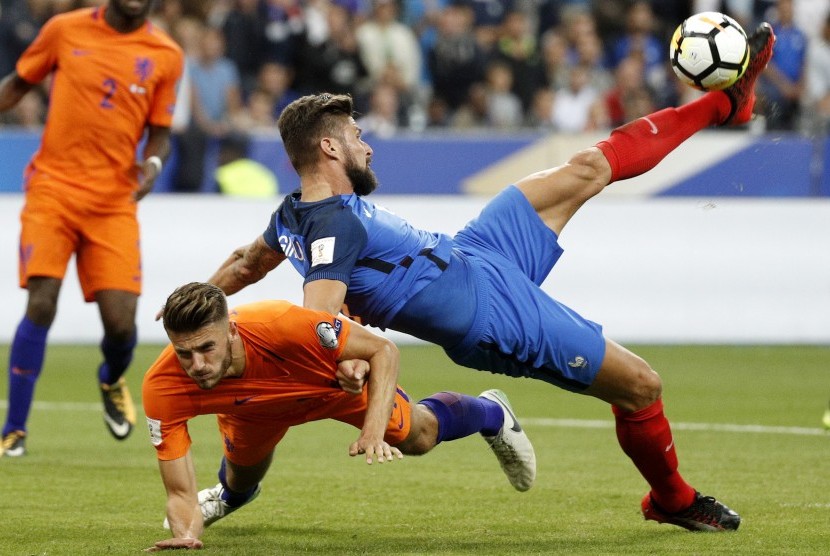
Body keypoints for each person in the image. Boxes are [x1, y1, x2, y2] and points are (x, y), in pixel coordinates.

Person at [206, 22, 778, 533]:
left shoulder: (290, 215)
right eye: (357, 136)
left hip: (476, 252)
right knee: (641, 386)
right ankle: (673, 499)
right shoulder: (331, 227)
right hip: (490, 317)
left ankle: (727, 106)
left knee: (588, 166)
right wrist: (352, 359)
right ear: (329, 147)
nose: (368, 144)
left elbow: (245, 262)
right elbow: (318, 322)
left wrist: (198, 300)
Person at [144, 282, 535, 551]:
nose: (196, 365)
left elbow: (383, 350)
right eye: (184, 353)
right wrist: (186, 538)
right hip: (251, 412)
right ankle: (228, 498)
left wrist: (374, 429)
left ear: (231, 330)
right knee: (241, 476)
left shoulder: (282, 325)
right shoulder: (163, 387)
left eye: (206, 348)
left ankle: (492, 412)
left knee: (419, 438)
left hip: (331, 389)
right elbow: (179, 492)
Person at [0, 0, 183, 457]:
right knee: (41, 301)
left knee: (121, 325)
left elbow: (160, 129)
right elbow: (19, 84)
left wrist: (154, 164)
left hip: (113, 202)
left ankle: (110, 377)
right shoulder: (64, 30)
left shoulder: (166, 54)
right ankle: (14, 430)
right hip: (53, 190)